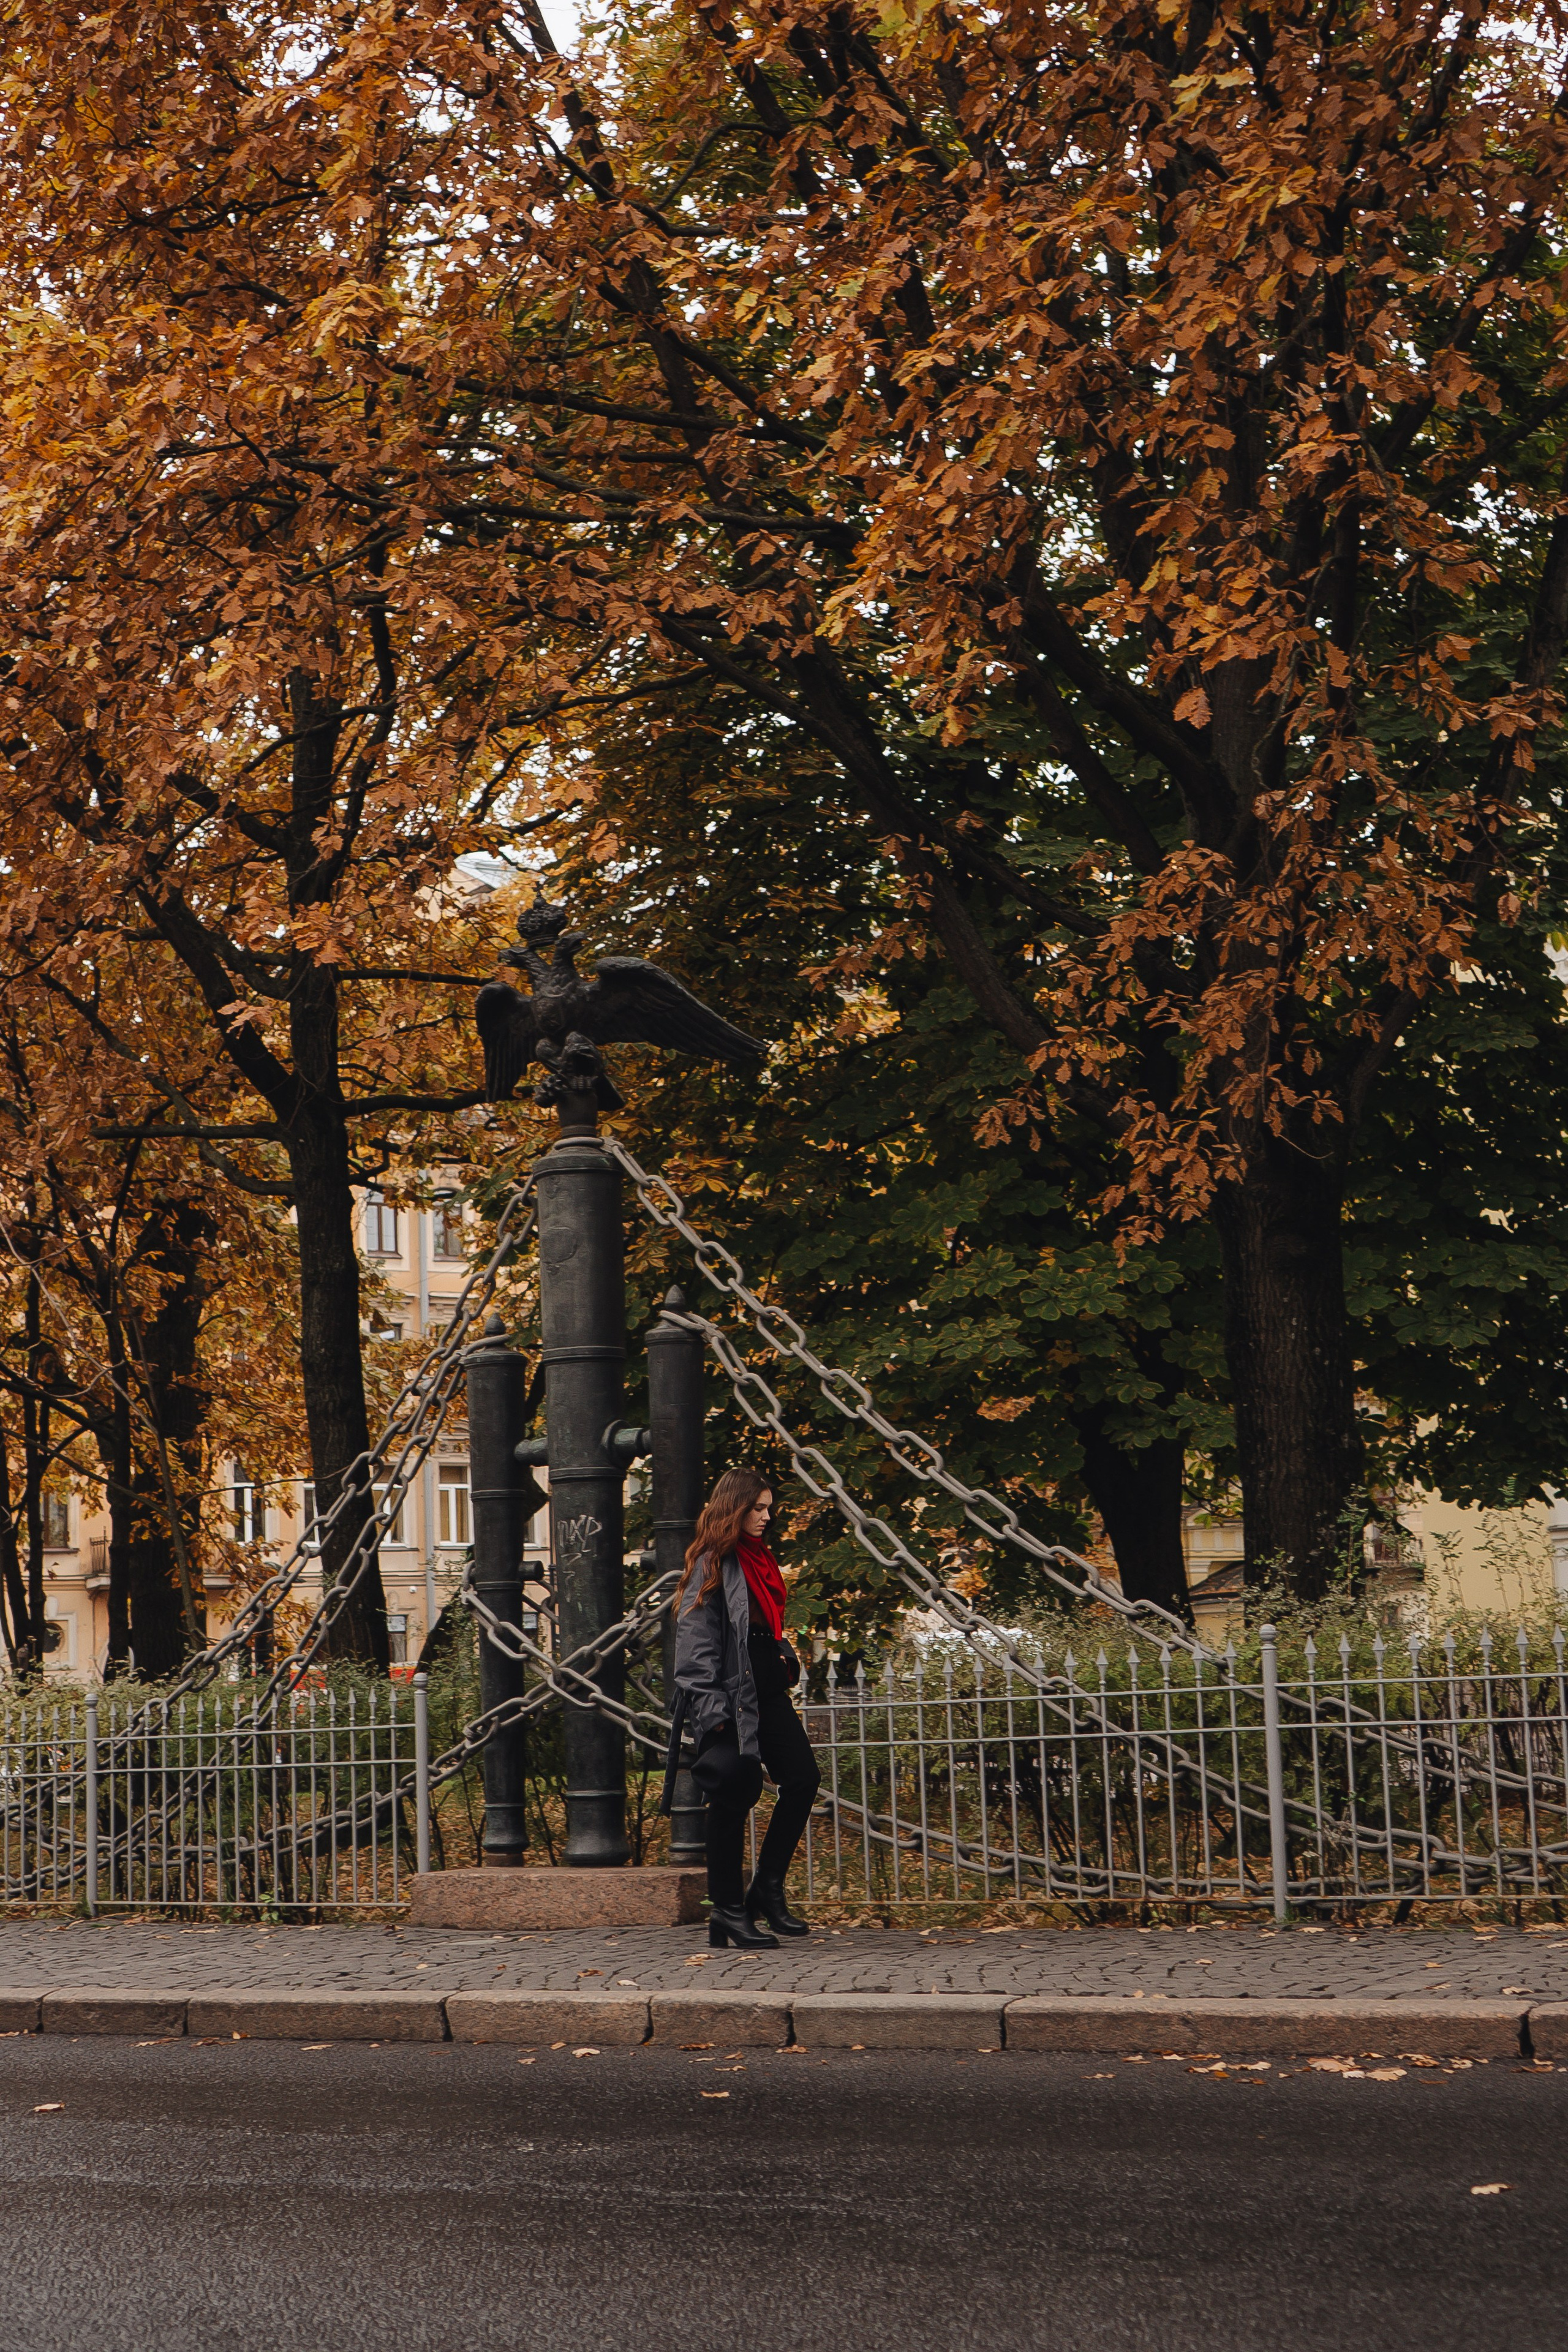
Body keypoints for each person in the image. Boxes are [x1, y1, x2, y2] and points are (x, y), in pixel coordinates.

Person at [661, 1466, 821, 1949]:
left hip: (765, 1691)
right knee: (734, 1793)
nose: (766, 1516)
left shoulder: (761, 1560)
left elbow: (762, 1630)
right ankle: (728, 1909)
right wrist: (714, 1711)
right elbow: (694, 1645)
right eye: (758, 1508)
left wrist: (784, 1657)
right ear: (735, 1508)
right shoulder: (714, 1562)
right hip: (729, 1698)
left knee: (802, 1779)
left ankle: (766, 1890)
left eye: (769, 1508)